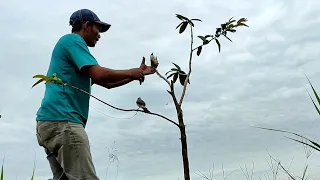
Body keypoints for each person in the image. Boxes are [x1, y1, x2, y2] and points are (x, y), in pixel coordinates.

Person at [35, 9, 156, 180]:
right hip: (63, 121)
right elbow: (99, 74)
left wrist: (136, 75)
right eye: (98, 29)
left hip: (50, 122)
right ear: (87, 25)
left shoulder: (73, 52)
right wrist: (131, 72)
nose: (99, 35)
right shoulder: (73, 41)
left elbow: (106, 83)